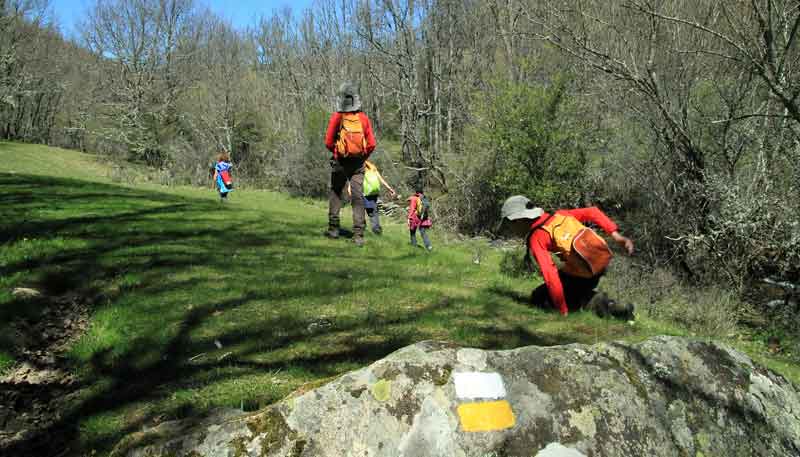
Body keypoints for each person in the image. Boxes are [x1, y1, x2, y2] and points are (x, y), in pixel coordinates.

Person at [500, 195, 635, 319]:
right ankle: (616, 306)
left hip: (583, 271)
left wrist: (562, 311)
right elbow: (593, 212)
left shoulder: (537, 237)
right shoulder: (559, 215)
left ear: (518, 220)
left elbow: (550, 275)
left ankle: (608, 304)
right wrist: (617, 237)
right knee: (567, 287)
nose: (511, 229)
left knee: (539, 297)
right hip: (601, 259)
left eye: (509, 225)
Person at [324, 82, 377, 247]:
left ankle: (333, 230)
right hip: (358, 163)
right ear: (356, 101)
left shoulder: (337, 117)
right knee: (358, 197)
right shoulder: (363, 118)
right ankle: (359, 235)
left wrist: (337, 152)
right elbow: (371, 144)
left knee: (336, 193)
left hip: (339, 161)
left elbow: (328, 142)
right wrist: (362, 157)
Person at [362, 160, 396, 235]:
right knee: (374, 210)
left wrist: (350, 188)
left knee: (362, 210)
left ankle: (362, 228)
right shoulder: (373, 168)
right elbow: (381, 180)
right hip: (374, 192)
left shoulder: (360, 168)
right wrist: (390, 189)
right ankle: (377, 229)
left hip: (365, 192)